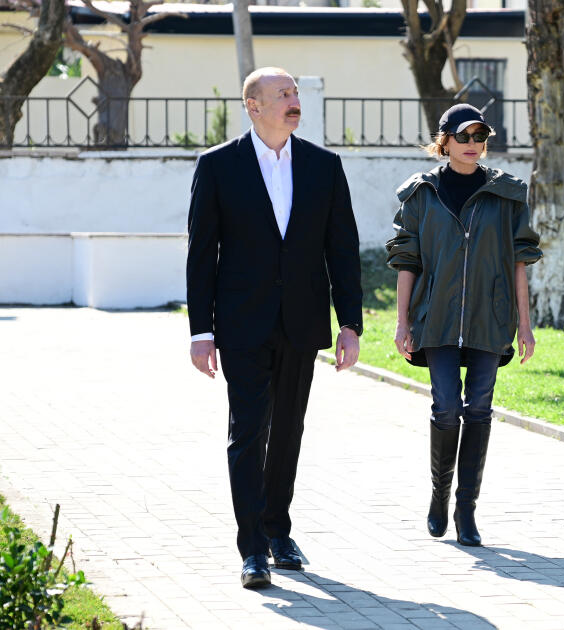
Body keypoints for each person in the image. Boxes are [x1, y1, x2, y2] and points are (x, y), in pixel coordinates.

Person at [186, 67, 363, 588]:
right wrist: (201, 332)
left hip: (302, 321)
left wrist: (349, 323)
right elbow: (202, 254)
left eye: (295, 92)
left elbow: (342, 249)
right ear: (254, 105)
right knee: (248, 432)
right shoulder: (218, 165)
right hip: (241, 322)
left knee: (287, 430)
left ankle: (278, 530)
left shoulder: (324, 166)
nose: (293, 100)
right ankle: (253, 549)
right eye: (283, 93)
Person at [385, 104, 542, 547]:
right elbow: (406, 260)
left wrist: (525, 324)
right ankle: (439, 495)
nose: (473, 144)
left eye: (480, 136)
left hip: (490, 317)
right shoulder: (421, 193)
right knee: (446, 407)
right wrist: (402, 322)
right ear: (445, 142)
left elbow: (519, 261)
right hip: (435, 316)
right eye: (464, 136)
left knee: (479, 410)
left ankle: (466, 509)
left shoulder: (507, 194)